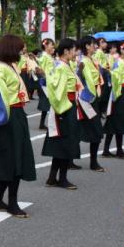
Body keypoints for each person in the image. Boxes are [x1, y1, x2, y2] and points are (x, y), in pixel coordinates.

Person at [0, 34, 36, 218]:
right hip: (8, 116)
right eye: (20, 48)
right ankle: (11, 202)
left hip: (18, 114)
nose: (23, 52)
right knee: (12, 160)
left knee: (15, 159)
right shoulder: (0, 69)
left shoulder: (11, 66)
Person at [40, 38, 82, 190]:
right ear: (66, 51)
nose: (75, 53)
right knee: (65, 142)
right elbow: (57, 90)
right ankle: (62, 178)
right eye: (73, 50)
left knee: (61, 143)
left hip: (68, 105)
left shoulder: (64, 65)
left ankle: (53, 177)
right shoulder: (61, 67)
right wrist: (63, 107)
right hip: (65, 107)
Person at [76, 37, 107, 171]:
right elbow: (80, 79)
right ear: (87, 46)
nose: (96, 46)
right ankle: (92, 162)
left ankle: (90, 161)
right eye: (94, 44)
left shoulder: (93, 60)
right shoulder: (83, 62)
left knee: (89, 130)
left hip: (94, 98)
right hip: (86, 100)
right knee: (94, 129)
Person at [35, 38, 56, 130]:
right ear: (46, 45)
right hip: (44, 82)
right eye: (51, 45)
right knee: (46, 102)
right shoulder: (43, 56)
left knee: (47, 103)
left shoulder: (48, 56)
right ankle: (42, 123)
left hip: (49, 81)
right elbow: (39, 68)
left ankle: (43, 123)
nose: (53, 47)